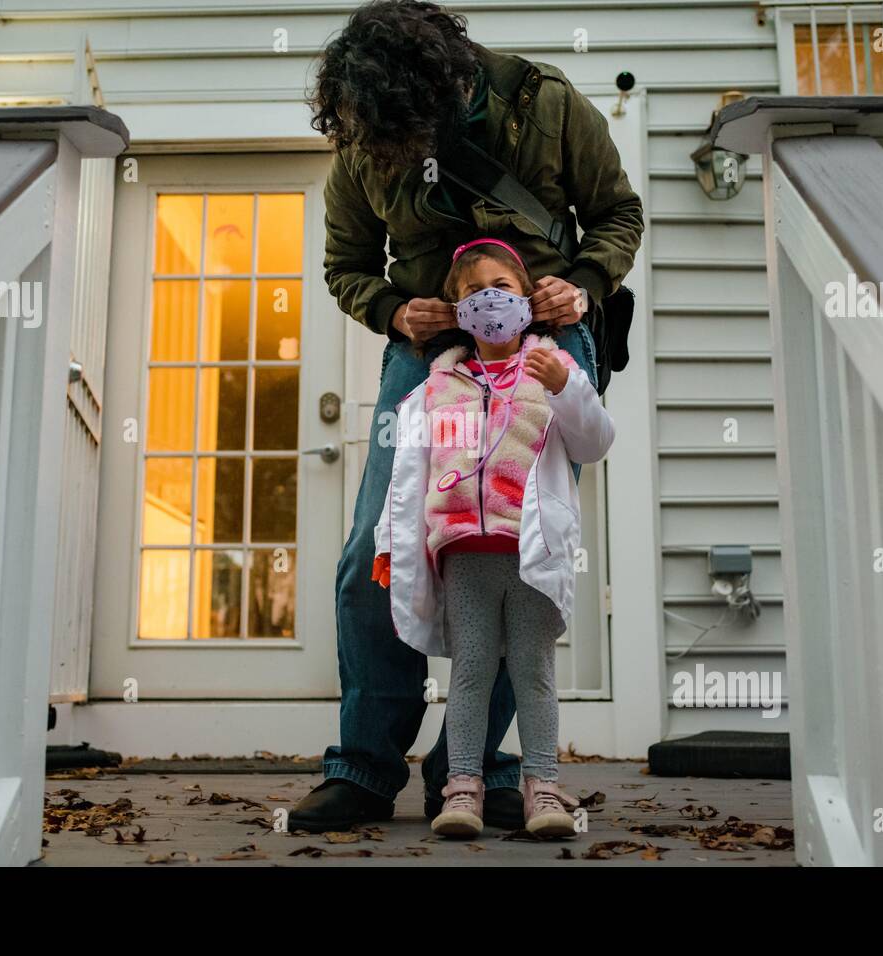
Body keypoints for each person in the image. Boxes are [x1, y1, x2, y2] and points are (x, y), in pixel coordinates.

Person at [289, 0, 643, 833]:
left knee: (522, 554)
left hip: (548, 345)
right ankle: (365, 768)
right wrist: (390, 313)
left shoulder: (548, 104)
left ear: (447, 89)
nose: (395, 147)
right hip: (428, 356)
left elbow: (618, 215)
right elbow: (346, 263)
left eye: (409, 129)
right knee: (377, 549)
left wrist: (583, 285)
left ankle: (476, 770)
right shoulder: (366, 138)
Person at [373, 238, 614, 838]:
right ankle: (462, 788)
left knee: (533, 671)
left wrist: (566, 385)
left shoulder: (552, 368)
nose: (489, 301)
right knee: (471, 671)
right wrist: (387, 544)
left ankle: (544, 788)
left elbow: (595, 442)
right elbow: (406, 477)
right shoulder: (435, 387)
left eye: (503, 289)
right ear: (457, 310)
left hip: (530, 552)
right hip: (462, 554)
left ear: (528, 300)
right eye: (473, 293)